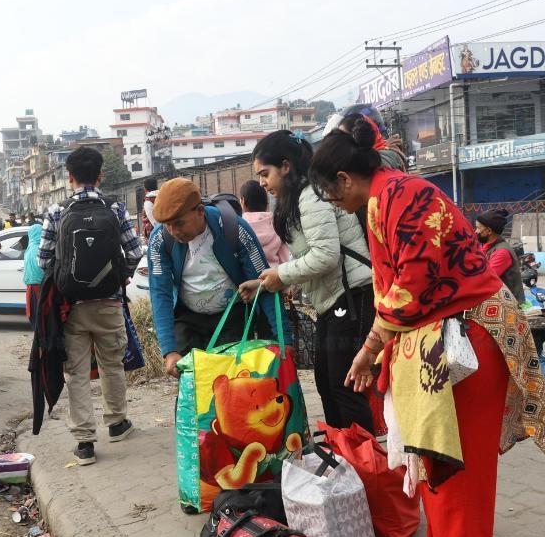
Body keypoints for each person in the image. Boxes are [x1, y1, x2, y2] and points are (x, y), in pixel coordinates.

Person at [309, 114, 545, 537]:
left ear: (343, 179)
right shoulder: (386, 197)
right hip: (439, 336)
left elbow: (411, 288)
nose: (331, 203)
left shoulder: (405, 198)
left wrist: (367, 349)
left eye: (328, 192)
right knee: (427, 443)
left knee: (458, 453)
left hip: (470, 334)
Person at [239, 130, 375, 432]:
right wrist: (264, 283)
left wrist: (280, 274)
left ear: (286, 166)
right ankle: (346, 457)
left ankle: (366, 463)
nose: (262, 182)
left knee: (343, 386)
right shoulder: (299, 198)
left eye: (265, 173)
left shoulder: (311, 195)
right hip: (335, 300)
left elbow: (325, 255)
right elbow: (310, 259)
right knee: (328, 384)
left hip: (352, 296)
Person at [37, 146, 144, 466]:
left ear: (69, 178)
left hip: (72, 306)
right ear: (101, 175)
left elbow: (43, 260)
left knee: (77, 373)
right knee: (112, 364)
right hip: (109, 303)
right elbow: (135, 252)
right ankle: (117, 423)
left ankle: (84, 443)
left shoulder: (57, 212)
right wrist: (118, 278)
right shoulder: (115, 209)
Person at [146, 177, 287, 379]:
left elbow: (264, 284)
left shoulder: (234, 228)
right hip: (188, 320)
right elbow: (160, 293)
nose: (174, 231)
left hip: (231, 318)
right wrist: (169, 350)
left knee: (232, 385)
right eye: (167, 225)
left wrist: (284, 339)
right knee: (193, 390)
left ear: (200, 212)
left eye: (179, 223)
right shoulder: (160, 238)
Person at [474, 208, 525, 305]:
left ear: (489, 231)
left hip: (509, 306)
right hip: (496, 302)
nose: (476, 231)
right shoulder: (485, 247)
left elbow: (484, 279)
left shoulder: (502, 252)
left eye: (478, 228)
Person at [238, 179, 289, 268]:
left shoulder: (238, 227)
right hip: (274, 277)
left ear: (242, 201)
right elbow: (285, 258)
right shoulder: (277, 223)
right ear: (266, 201)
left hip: (250, 279)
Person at [22, 220, 45, 329]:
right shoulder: (42, 249)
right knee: (43, 315)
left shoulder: (30, 249)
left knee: (35, 315)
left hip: (32, 287)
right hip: (42, 286)